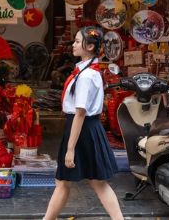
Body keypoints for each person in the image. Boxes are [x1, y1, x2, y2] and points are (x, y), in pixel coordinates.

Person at [44, 26, 123, 220]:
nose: (73, 44)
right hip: (85, 128)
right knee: (75, 182)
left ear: (89, 46)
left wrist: (70, 149)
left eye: (78, 41)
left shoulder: (87, 75)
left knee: (88, 183)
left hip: (82, 129)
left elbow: (80, 113)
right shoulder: (87, 71)